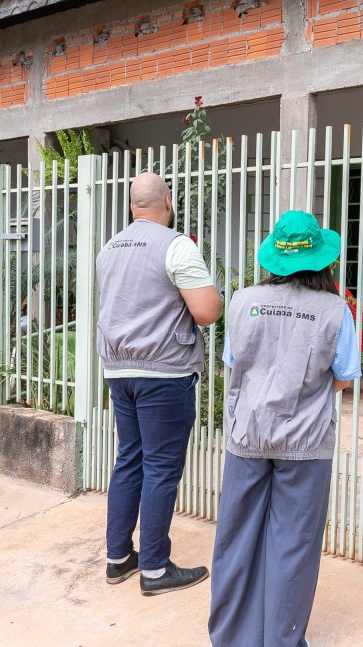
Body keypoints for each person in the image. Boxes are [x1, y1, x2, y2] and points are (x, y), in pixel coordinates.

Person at [208, 210, 362, 647]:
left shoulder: (243, 300)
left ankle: (226, 638)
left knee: (235, 534)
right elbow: (343, 379)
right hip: (305, 441)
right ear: (321, 260)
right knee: (293, 541)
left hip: (247, 435)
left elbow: (235, 362)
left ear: (274, 255)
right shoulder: (336, 310)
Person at [96, 172, 222, 596]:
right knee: (161, 467)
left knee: (129, 459)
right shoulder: (176, 246)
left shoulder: (109, 248)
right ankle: (153, 568)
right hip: (164, 373)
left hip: (118, 371)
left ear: (133, 206)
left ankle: (118, 559)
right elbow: (206, 312)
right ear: (167, 200)